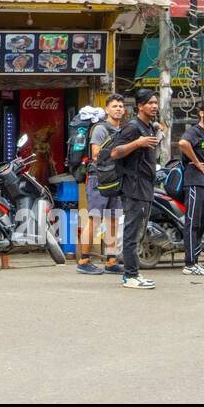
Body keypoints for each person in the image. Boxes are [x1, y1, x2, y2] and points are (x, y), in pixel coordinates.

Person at [107, 89, 163, 290]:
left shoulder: (148, 127)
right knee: (132, 233)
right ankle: (130, 276)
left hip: (145, 187)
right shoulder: (132, 128)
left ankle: (134, 273)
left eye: (156, 102)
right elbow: (115, 152)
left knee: (139, 233)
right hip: (133, 188)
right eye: (150, 103)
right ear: (140, 106)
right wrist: (137, 143)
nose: (154, 106)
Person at [77, 93, 126, 276]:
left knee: (112, 220)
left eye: (121, 106)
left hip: (116, 179)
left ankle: (111, 261)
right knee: (94, 219)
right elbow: (97, 154)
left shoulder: (123, 130)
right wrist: (119, 152)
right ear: (107, 109)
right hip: (99, 178)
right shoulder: (100, 129)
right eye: (115, 106)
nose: (119, 108)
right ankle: (83, 260)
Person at [177, 100, 204, 276]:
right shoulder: (194, 131)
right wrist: (195, 162)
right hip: (193, 181)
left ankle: (195, 261)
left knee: (200, 224)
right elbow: (183, 143)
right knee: (192, 223)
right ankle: (189, 264)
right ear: (201, 113)